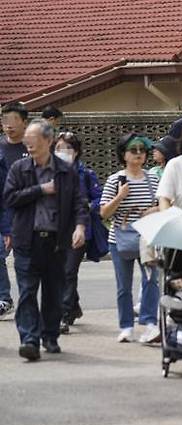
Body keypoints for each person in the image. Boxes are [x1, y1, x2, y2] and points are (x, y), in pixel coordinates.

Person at [4, 119, 87, 361]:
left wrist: (80, 227)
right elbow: (9, 198)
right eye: (27, 140)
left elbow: (79, 202)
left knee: (53, 292)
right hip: (27, 241)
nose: (29, 144)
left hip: (56, 242)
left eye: (34, 140)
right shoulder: (20, 169)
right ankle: (29, 339)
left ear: (48, 141)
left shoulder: (65, 170)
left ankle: (50, 336)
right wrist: (40, 189)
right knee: (28, 292)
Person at [100, 133, 160, 344]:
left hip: (147, 237)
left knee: (151, 280)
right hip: (120, 238)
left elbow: (164, 203)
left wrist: (153, 210)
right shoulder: (114, 180)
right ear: (123, 154)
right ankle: (126, 326)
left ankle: (150, 322)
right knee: (123, 286)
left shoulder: (152, 178)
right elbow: (104, 213)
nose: (138, 154)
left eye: (142, 150)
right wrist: (120, 196)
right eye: (133, 150)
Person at [54, 132, 103, 334]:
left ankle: (63, 315)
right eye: (58, 149)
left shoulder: (86, 174)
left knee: (68, 271)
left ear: (76, 152)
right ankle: (73, 305)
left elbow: (100, 199)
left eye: (66, 149)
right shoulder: (48, 173)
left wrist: (88, 206)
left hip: (79, 230)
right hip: (54, 230)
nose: (61, 153)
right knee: (59, 272)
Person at [0, 102, 29, 320]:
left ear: (24, 123)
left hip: (27, 212)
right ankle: (4, 298)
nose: (8, 126)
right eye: (4, 121)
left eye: (13, 121)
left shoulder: (32, 148)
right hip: (2, 210)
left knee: (25, 262)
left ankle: (28, 302)